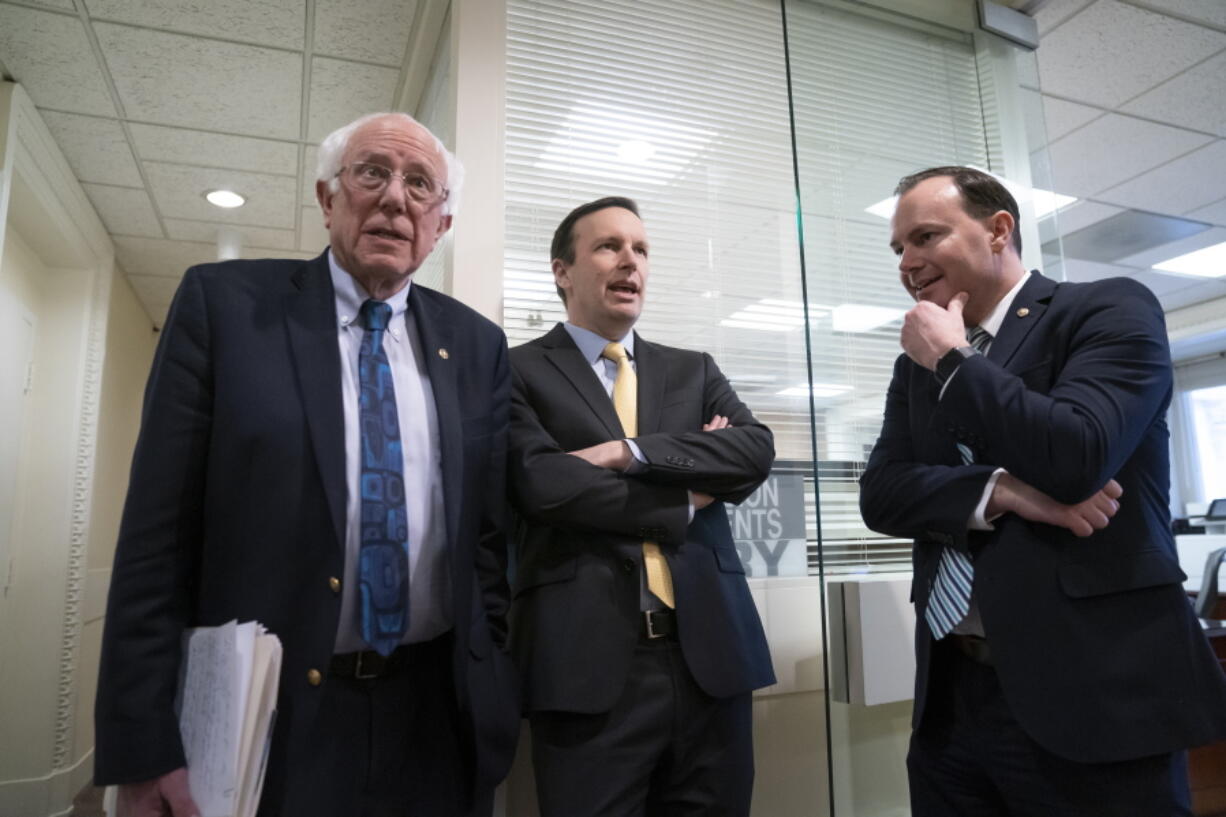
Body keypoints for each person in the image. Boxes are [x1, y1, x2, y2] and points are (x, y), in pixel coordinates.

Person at [94, 112, 519, 817]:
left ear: (441, 225)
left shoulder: (477, 347)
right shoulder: (224, 309)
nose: (395, 198)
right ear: (328, 198)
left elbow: (486, 541)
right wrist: (141, 742)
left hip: (435, 719)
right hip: (273, 717)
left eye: (421, 184)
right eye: (372, 173)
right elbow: (155, 541)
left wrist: (491, 674)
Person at [860, 165, 1226, 815]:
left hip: (1096, 699)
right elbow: (882, 493)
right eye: (899, 248)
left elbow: (1075, 454)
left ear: (999, 230)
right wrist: (999, 489)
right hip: (953, 700)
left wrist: (953, 360)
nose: (909, 262)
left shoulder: (1108, 309)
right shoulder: (912, 363)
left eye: (925, 237)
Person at [507, 196, 776, 816]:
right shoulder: (517, 370)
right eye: (608, 246)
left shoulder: (692, 370)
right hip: (587, 670)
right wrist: (687, 494)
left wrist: (624, 452)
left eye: (641, 250)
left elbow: (753, 452)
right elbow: (543, 485)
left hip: (712, 660)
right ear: (562, 271)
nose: (631, 261)